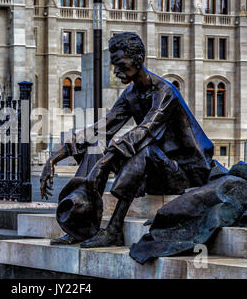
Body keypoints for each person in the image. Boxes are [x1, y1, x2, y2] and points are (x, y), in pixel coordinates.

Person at [40, 32, 214, 248]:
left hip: (186, 173)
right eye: (114, 64)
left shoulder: (165, 92)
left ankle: (113, 231)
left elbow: (145, 131)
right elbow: (101, 128)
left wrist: (105, 163)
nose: (116, 71)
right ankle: (80, 227)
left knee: (144, 150)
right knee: (96, 146)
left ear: (138, 59)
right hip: (158, 170)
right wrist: (54, 158)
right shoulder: (131, 94)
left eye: (120, 63)